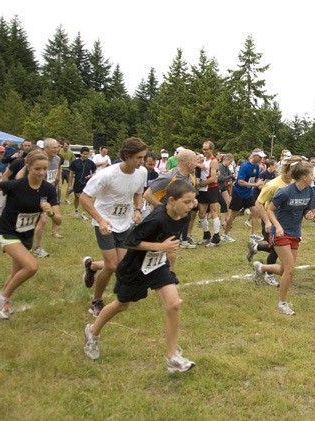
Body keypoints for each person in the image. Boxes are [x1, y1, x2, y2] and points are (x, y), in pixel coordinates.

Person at [83, 180, 197, 373]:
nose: (191, 206)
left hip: (157, 265)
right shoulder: (156, 219)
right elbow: (131, 241)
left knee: (174, 304)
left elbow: (170, 240)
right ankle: (92, 332)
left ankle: (172, 357)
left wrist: (169, 258)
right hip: (134, 268)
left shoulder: (184, 217)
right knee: (121, 305)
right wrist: (161, 247)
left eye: (192, 202)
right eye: (186, 202)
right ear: (170, 200)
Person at [0, 150, 62, 318]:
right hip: (7, 232)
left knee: (17, 272)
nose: (42, 173)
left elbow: (59, 220)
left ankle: (3, 298)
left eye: (45, 169)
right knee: (31, 267)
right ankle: (2, 298)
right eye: (38, 168)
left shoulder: (49, 189)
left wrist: (50, 212)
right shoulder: (16, 185)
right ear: (28, 167)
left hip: (25, 236)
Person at [80, 137, 148, 317]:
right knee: (111, 265)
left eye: (143, 157)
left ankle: (92, 266)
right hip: (105, 222)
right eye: (138, 158)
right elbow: (84, 198)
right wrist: (100, 220)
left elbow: (139, 193)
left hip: (124, 223)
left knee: (121, 265)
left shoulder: (141, 173)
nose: (142, 162)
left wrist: (138, 209)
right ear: (126, 155)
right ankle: (96, 301)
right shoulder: (107, 174)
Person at [251, 161, 315, 316]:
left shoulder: (310, 191)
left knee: (285, 269)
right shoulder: (285, 192)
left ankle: (261, 268)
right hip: (280, 233)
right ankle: (282, 303)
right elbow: (270, 210)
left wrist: (308, 214)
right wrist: (276, 226)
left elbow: (308, 208)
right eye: (312, 174)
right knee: (290, 269)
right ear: (304, 177)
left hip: (295, 232)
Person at [221, 149, 266, 243]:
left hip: (248, 194)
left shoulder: (257, 166)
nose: (262, 159)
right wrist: (255, 185)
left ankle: (253, 235)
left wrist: (261, 185)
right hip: (238, 193)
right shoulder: (244, 166)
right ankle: (225, 235)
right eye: (260, 157)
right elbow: (240, 182)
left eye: (262, 157)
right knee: (232, 216)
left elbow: (257, 178)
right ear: (254, 156)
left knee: (255, 212)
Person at [30, 138, 63, 257]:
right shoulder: (39, 159)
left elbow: (57, 171)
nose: (57, 149)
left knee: (50, 215)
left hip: (50, 191)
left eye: (57, 147)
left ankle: (40, 244)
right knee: (40, 219)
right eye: (54, 148)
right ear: (46, 149)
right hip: (37, 191)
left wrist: (57, 183)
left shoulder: (58, 158)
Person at [197, 141, 222, 247]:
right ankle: (206, 235)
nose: (204, 151)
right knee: (201, 214)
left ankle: (216, 237)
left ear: (211, 150)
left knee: (213, 213)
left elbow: (213, 178)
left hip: (211, 189)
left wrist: (200, 183)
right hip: (202, 190)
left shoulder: (213, 161)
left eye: (206, 149)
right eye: (203, 149)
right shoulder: (203, 159)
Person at [68, 147, 97, 219]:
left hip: (86, 184)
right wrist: (70, 184)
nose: (85, 156)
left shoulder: (91, 163)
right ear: (81, 154)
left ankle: (83, 213)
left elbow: (94, 172)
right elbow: (71, 173)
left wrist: (90, 176)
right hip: (77, 183)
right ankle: (76, 210)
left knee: (85, 199)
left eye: (87, 154)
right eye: (84, 154)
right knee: (77, 198)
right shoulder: (75, 162)